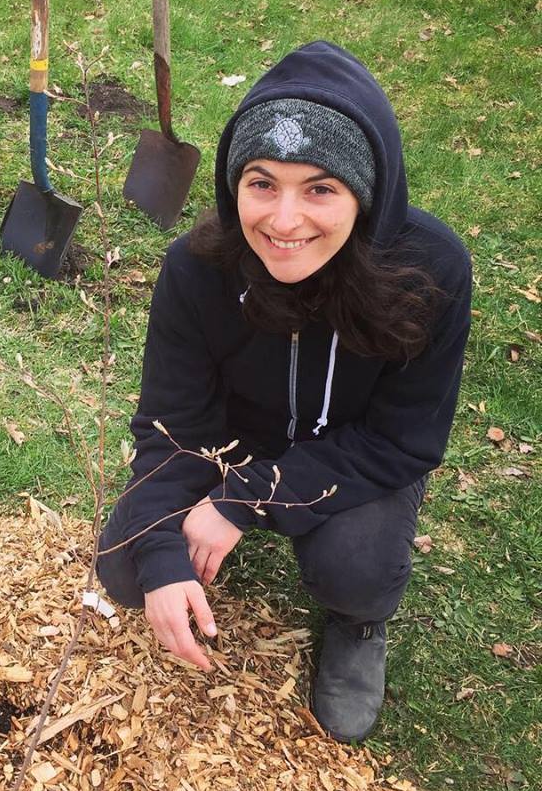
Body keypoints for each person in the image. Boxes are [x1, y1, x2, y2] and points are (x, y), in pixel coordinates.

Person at [97, 41, 471, 744]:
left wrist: (244, 499)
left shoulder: (431, 270)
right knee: (125, 569)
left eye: (321, 188)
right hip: (236, 435)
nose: (284, 220)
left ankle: (359, 625)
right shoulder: (196, 269)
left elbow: (404, 439)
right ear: (233, 182)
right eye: (262, 183)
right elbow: (171, 424)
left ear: (364, 195)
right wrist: (164, 556)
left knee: (353, 569)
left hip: (356, 449)